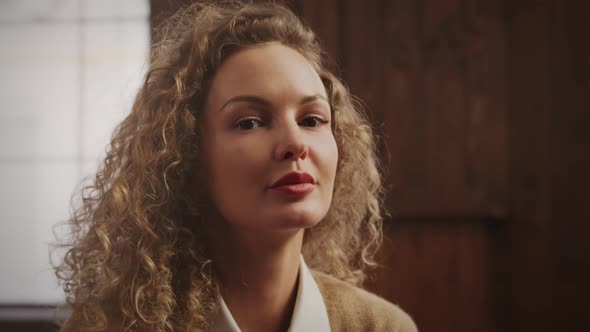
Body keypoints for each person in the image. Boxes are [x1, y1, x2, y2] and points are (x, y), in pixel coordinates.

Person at [54, 1, 417, 331]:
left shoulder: (383, 327)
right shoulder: (107, 326)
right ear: (186, 157)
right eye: (249, 122)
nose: (295, 144)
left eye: (312, 120)